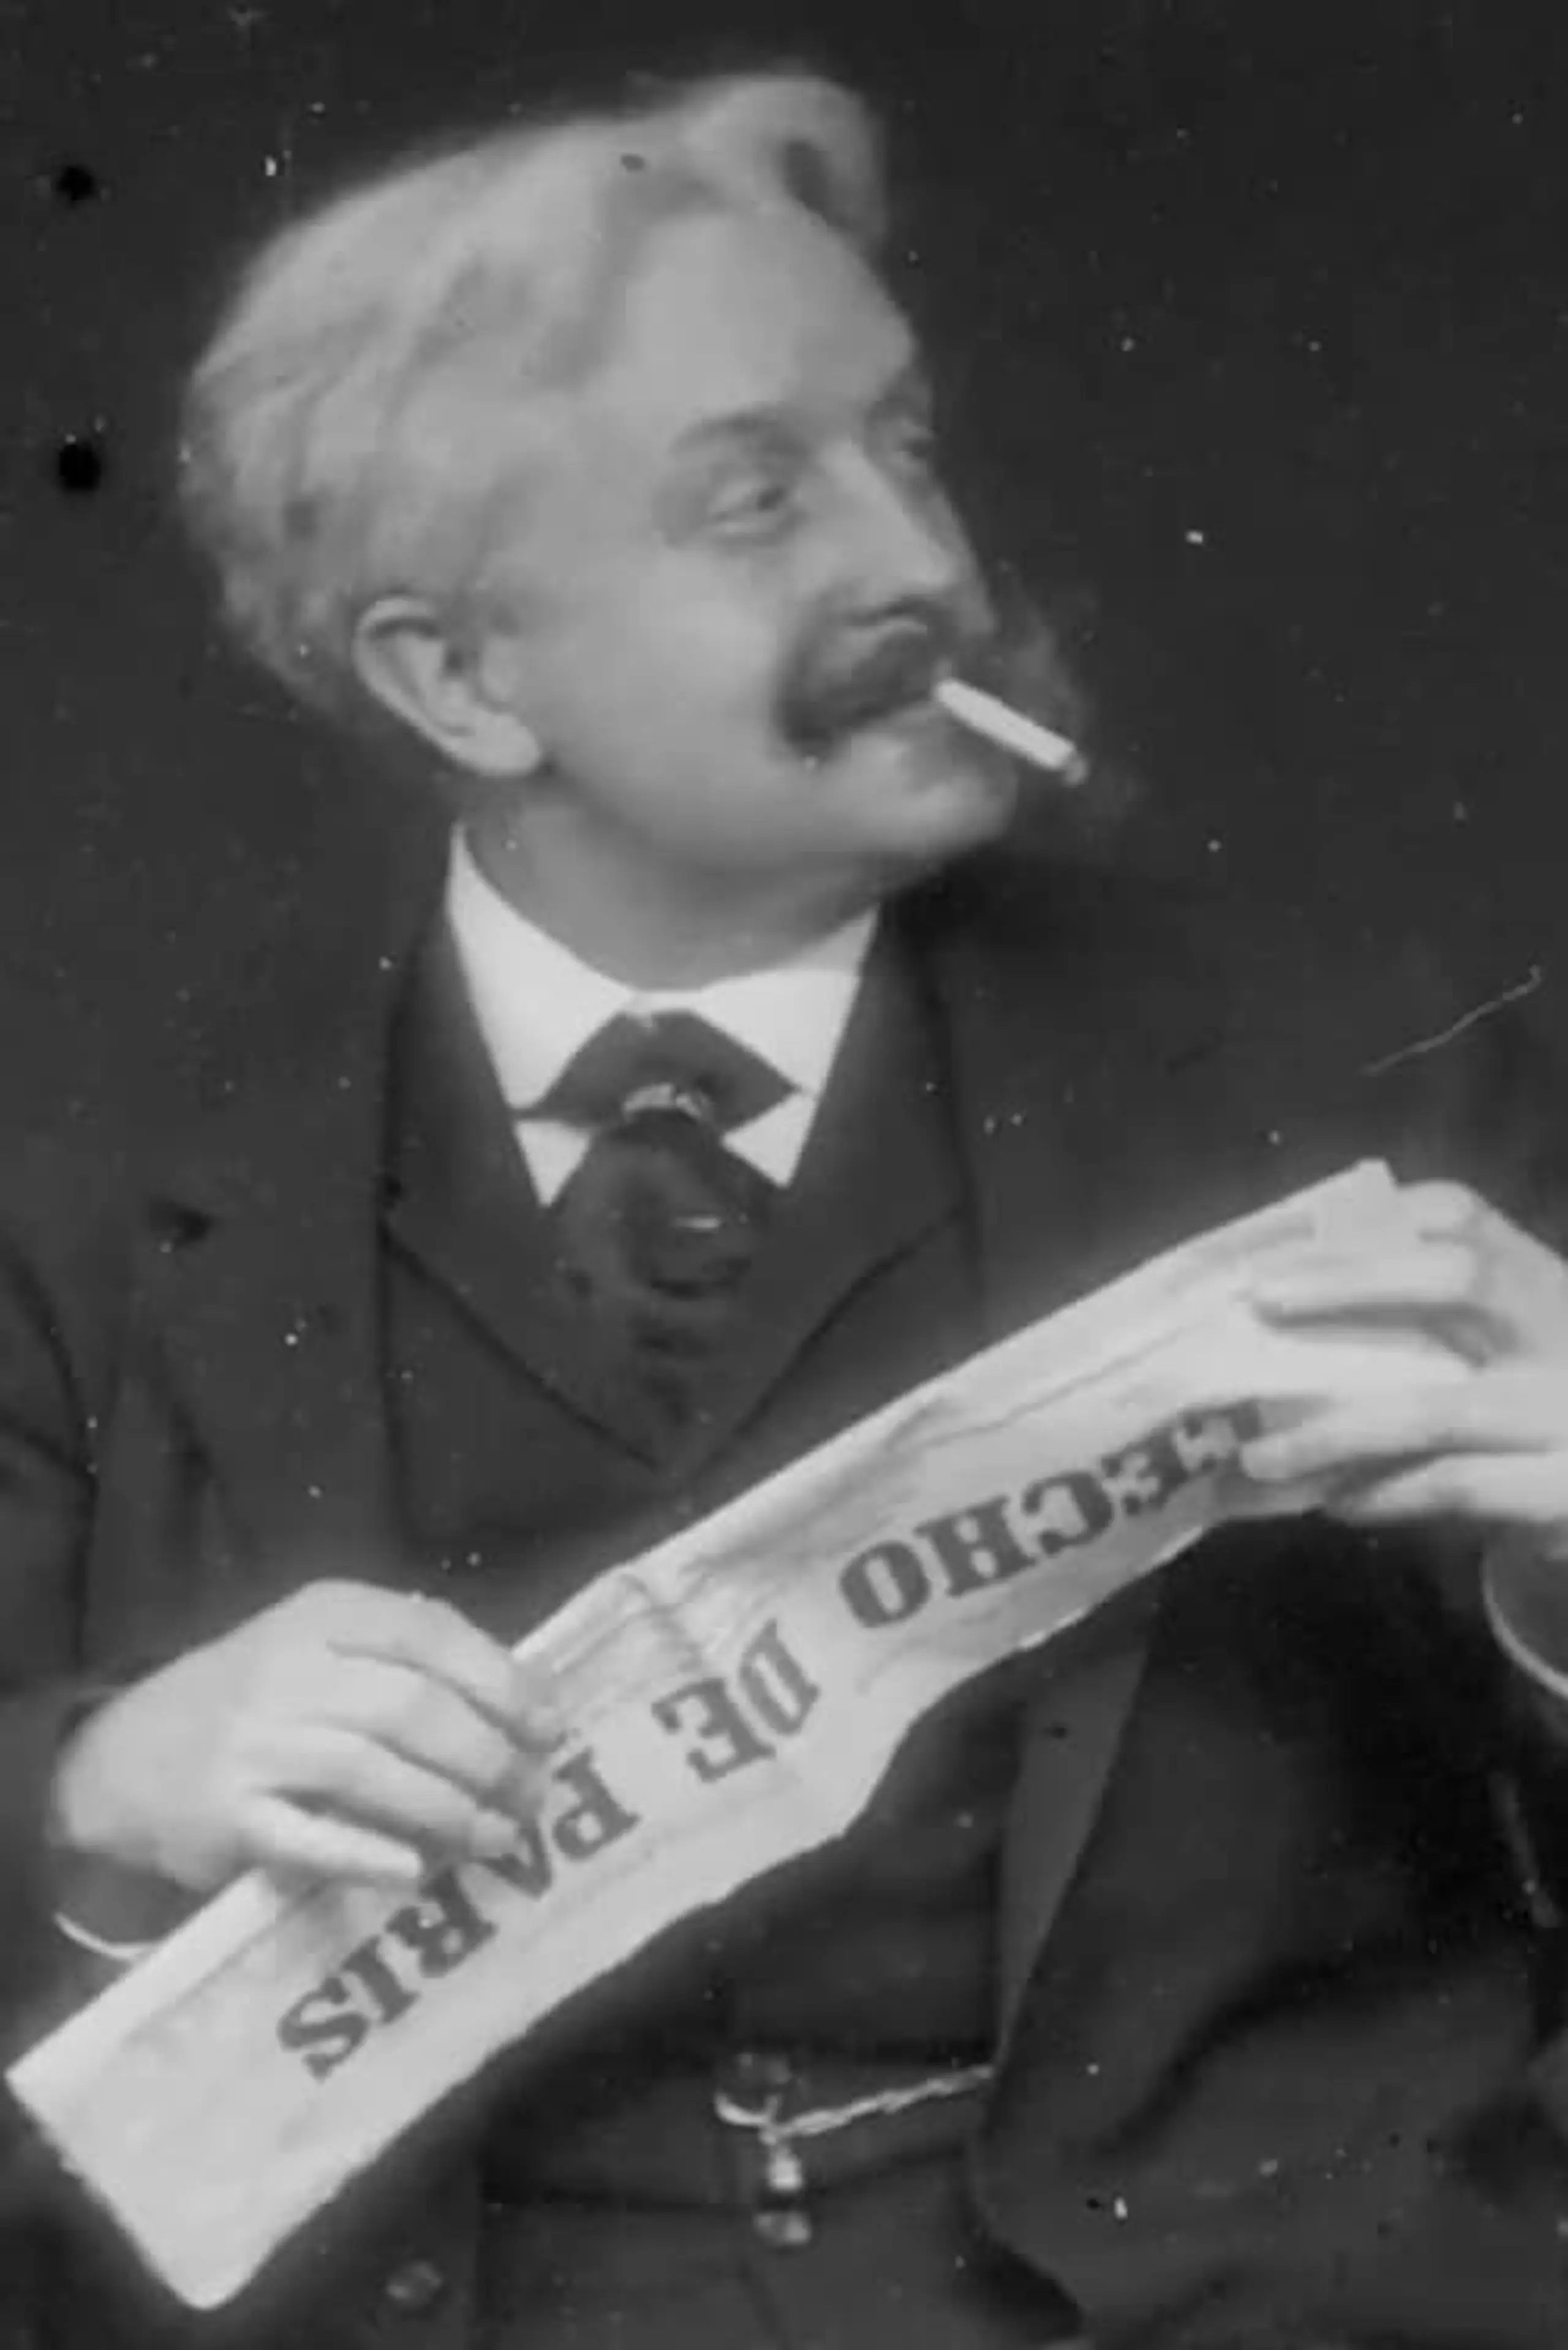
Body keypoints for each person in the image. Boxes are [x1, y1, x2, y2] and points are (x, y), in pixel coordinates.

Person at [2, 61, 1568, 2350]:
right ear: (459, 677)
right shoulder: (98, 1199)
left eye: (905, 443)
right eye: (758, 502)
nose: (924, 566)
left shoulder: (1372, 1079)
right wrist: (97, 1786)